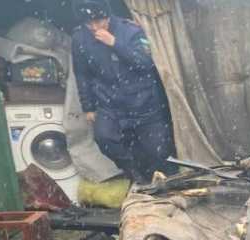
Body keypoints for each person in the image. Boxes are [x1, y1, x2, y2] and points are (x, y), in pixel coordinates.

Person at [71, 0, 175, 183]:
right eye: (89, 23)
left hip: (144, 100)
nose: (94, 27)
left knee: (159, 151)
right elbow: (81, 74)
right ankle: (134, 174)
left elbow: (145, 62)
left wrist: (115, 43)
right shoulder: (80, 38)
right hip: (109, 102)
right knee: (104, 138)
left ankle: (161, 182)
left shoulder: (131, 30)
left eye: (99, 21)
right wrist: (88, 106)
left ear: (107, 16)